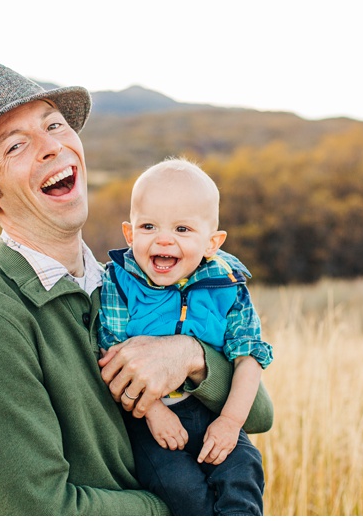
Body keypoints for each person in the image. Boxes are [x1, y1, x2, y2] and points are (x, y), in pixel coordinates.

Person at [0, 61, 273, 515]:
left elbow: (259, 414)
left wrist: (189, 355)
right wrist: (172, 511)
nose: (52, 147)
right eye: (17, 145)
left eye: (54, 124)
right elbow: (42, 510)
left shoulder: (129, 281)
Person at [98, 157, 272, 515]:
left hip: (211, 411)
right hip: (147, 419)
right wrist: (154, 412)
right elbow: (111, 353)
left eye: (182, 230)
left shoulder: (227, 285)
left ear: (212, 242)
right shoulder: (118, 283)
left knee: (242, 470)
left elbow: (249, 356)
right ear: (130, 235)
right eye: (149, 226)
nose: (164, 239)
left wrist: (229, 423)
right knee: (181, 487)